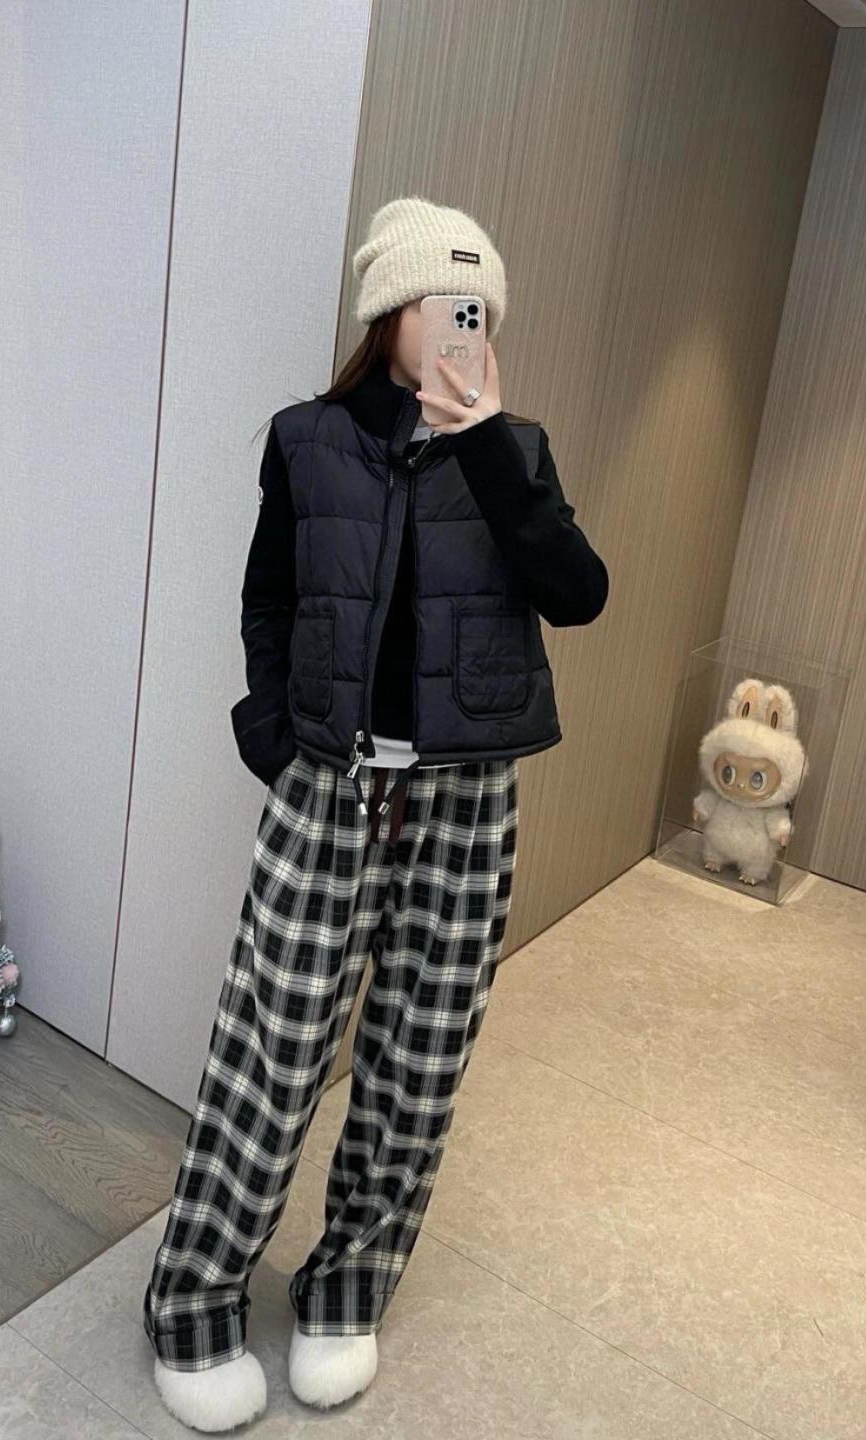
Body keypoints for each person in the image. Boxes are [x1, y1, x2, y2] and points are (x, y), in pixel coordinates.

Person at [143, 195, 609, 1432]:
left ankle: (349, 1288)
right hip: (333, 788)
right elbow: (267, 598)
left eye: (480, 310)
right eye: (442, 304)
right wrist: (272, 733)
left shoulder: (516, 450)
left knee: (418, 1058)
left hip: (469, 797)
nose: (463, 327)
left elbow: (580, 595)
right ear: (386, 313)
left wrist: (491, 445)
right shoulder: (306, 440)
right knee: (273, 1048)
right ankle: (194, 1300)